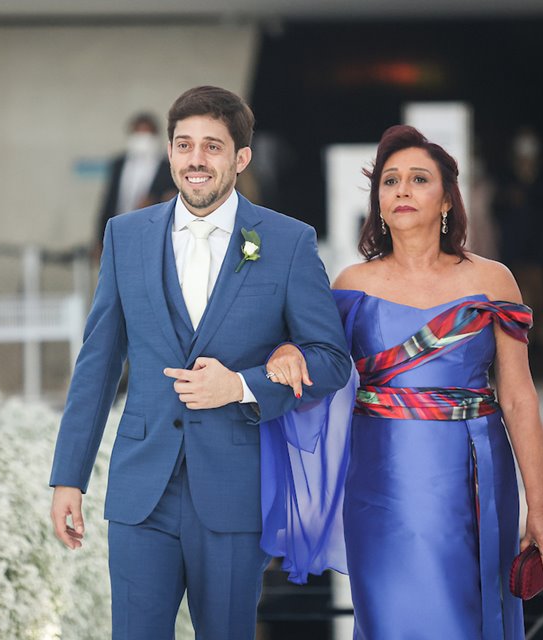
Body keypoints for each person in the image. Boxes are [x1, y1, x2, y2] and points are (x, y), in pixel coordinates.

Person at [49, 86, 350, 640]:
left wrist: (241, 385)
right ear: (168, 152)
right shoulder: (125, 237)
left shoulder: (286, 242)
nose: (196, 159)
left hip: (235, 489)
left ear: (241, 158)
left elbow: (331, 360)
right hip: (142, 490)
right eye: (184, 145)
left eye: (212, 147)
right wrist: (69, 476)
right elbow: (97, 364)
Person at [260, 125, 543, 639]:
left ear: (447, 198)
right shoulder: (352, 284)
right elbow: (320, 362)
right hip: (380, 479)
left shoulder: (493, 280)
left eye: (418, 179)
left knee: (469, 615)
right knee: (389, 618)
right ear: (378, 202)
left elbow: (517, 397)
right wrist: (287, 349)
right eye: (389, 181)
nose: (401, 189)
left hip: (472, 473)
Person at [492, 127, 543, 350]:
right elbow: (496, 207)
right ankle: (521, 327)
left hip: (537, 235)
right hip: (513, 236)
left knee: (539, 280)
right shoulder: (505, 175)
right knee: (518, 282)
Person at [95, 113, 175, 254]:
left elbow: (173, 199)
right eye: (138, 133)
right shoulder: (118, 163)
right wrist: (99, 239)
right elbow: (108, 202)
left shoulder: (168, 166)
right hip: (121, 234)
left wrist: (155, 201)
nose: (142, 140)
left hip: (152, 235)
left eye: (147, 134)